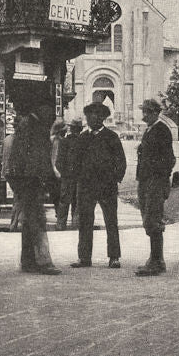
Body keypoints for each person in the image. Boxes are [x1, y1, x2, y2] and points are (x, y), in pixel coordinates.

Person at [4, 99, 60, 275]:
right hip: (32, 181)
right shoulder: (37, 129)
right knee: (37, 221)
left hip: (23, 181)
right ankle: (44, 261)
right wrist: (50, 184)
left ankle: (27, 261)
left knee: (29, 222)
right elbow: (40, 159)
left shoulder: (24, 128)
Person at [71, 102, 127, 268]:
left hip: (106, 187)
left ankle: (114, 257)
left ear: (102, 117)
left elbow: (121, 162)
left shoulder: (111, 137)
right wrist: (79, 178)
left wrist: (114, 179)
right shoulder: (83, 137)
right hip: (86, 187)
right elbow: (75, 161)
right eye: (87, 115)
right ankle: (84, 258)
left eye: (93, 115)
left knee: (111, 221)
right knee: (85, 221)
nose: (89, 118)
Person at [135, 98, 175, 276]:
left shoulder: (161, 130)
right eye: (144, 111)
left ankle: (157, 261)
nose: (144, 115)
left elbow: (168, 159)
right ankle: (154, 258)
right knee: (148, 218)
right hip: (146, 180)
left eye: (147, 112)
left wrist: (158, 178)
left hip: (155, 181)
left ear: (156, 113)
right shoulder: (150, 130)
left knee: (153, 219)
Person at [55, 119, 82, 230]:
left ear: (71, 128)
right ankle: (76, 224)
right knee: (78, 201)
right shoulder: (83, 142)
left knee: (64, 201)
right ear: (80, 129)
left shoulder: (64, 142)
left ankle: (61, 224)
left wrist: (64, 173)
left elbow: (58, 162)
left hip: (67, 177)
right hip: (79, 177)